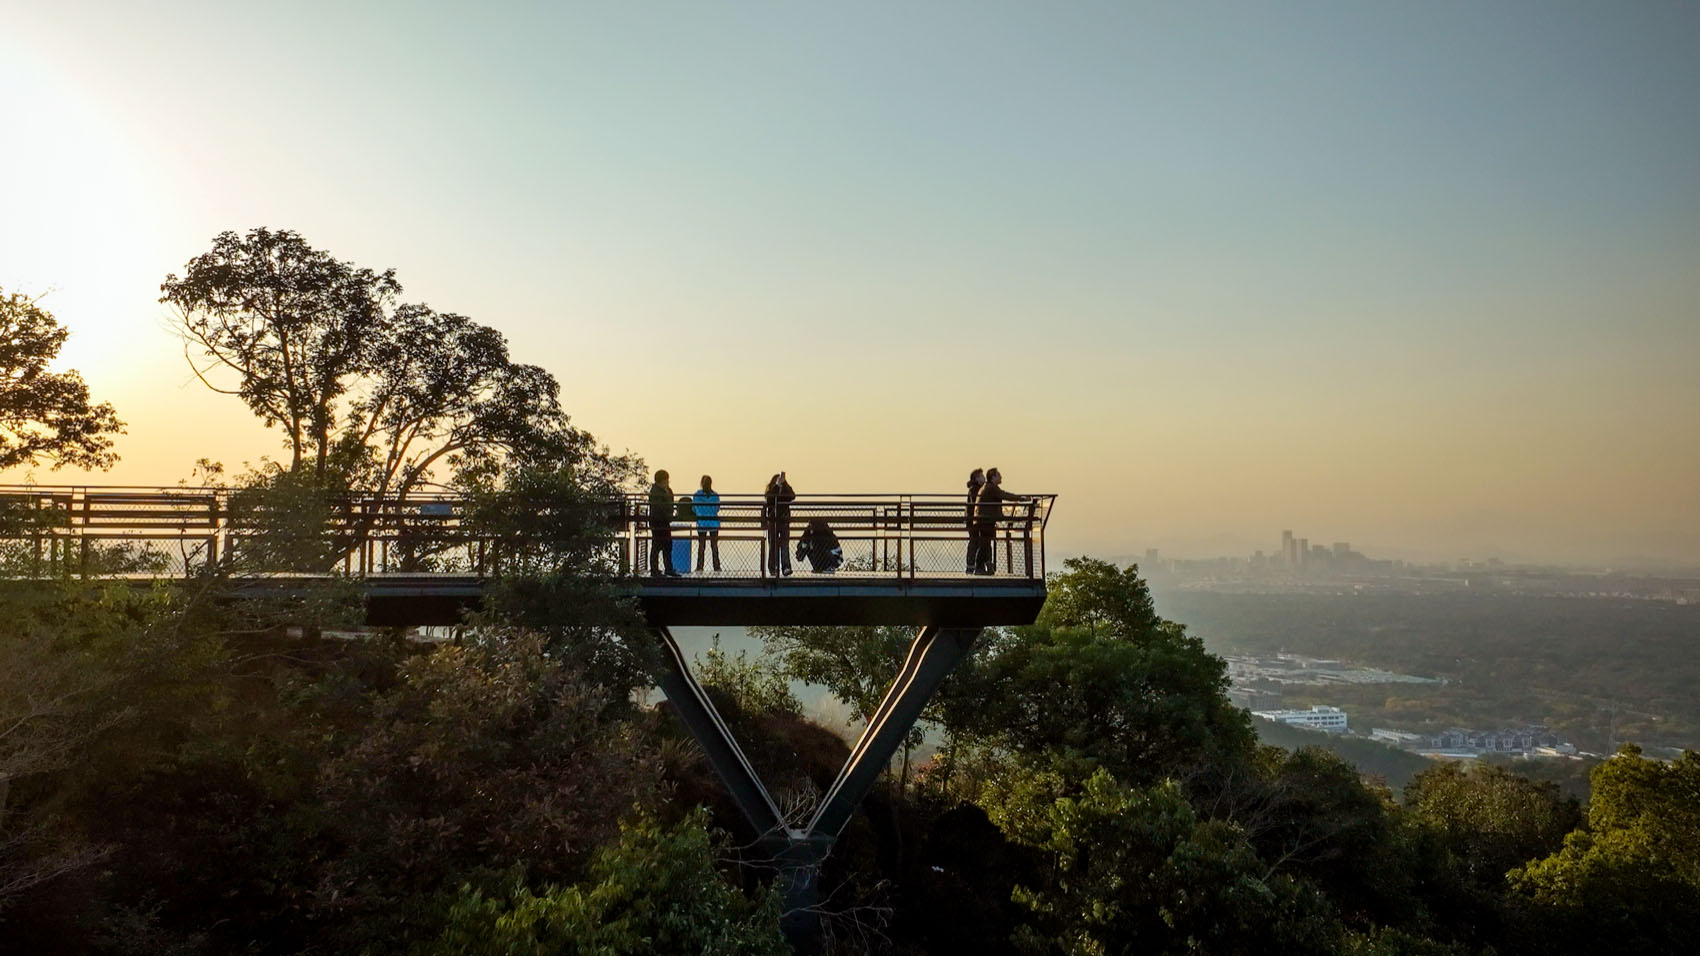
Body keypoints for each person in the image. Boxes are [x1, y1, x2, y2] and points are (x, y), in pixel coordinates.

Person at [973, 467, 1028, 574]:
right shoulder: (991, 488)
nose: (1001, 477)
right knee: (984, 544)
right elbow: (1005, 495)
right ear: (993, 477)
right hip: (985, 520)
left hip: (984, 520)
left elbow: (1002, 495)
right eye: (998, 475)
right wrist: (1021, 498)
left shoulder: (988, 487)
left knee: (985, 543)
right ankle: (979, 568)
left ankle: (981, 567)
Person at [647, 469, 679, 577]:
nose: (667, 482)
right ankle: (654, 570)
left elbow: (671, 502)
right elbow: (659, 506)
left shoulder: (667, 490)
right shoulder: (655, 491)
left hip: (665, 521)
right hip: (657, 521)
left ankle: (668, 568)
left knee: (667, 545)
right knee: (656, 545)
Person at [763, 471, 795, 576]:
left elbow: (792, 496)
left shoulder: (785, 490)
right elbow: (769, 499)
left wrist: (784, 484)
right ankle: (773, 567)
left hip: (783, 521)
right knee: (773, 545)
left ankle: (786, 567)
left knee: (784, 545)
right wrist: (777, 486)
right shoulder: (771, 491)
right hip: (773, 521)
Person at [692, 475, 721, 573]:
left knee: (701, 546)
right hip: (713, 523)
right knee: (714, 546)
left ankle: (700, 566)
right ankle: (716, 566)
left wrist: (700, 513)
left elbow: (693, 508)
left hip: (702, 522)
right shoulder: (715, 496)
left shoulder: (697, 495)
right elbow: (717, 508)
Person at [964, 468, 986, 574]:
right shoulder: (975, 490)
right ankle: (973, 566)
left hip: (974, 521)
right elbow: (975, 504)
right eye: (981, 476)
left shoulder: (976, 489)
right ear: (976, 478)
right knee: (975, 542)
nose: (984, 478)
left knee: (977, 542)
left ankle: (974, 566)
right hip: (974, 521)